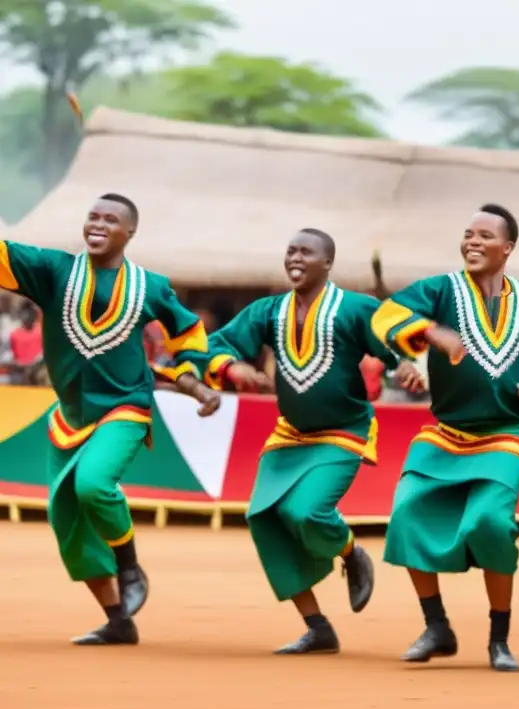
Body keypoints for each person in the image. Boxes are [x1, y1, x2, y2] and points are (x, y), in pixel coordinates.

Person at [0, 193, 220, 646]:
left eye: (110, 219)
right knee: (67, 520)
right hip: (70, 416)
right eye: (93, 217)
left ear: (129, 232)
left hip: (126, 407)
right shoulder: (53, 270)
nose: (98, 224)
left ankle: (129, 565)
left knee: (93, 484)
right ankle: (118, 619)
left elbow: (188, 334)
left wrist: (192, 378)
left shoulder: (151, 286)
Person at [199, 229, 424, 654]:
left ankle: (351, 551)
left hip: (343, 431)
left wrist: (406, 365)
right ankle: (317, 626)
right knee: (264, 517)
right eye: (290, 250)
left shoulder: (353, 307)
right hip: (290, 433)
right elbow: (218, 342)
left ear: (327, 263)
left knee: (305, 511)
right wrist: (231, 368)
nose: (295, 258)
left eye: (306, 251)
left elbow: (390, 336)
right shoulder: (269, 311)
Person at [370, 203, 519, 672]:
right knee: (407, 511)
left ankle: (499, 639)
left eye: (484, 236)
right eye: (467, 234)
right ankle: (436, 625)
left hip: (506, 434)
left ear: (508, 248)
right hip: (446, 433)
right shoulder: (439, 290)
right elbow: (387, 317)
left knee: (490, 524)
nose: (473, 242)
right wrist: (428, 336)